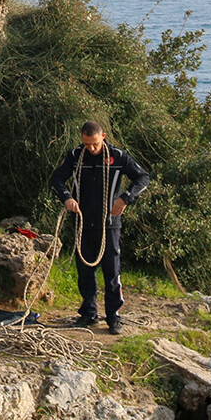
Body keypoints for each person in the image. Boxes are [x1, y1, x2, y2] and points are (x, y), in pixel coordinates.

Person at [49, 120, 150, 334]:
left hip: (110, 224)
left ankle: (114, 316)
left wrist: (125, 198)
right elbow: (56, 178)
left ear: (103, 137)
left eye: (94, 144)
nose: (91, 148)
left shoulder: (118, 156)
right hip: (83, 222)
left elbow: (143, 178)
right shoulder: (76, 156)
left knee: (112, 270)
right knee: (85, 270)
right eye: (87, 144)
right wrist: (66, 198)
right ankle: (89, 314)